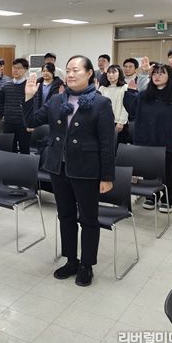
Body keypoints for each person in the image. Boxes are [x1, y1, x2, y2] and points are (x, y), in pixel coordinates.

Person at [23, 55, 115, 287]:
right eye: (68, 70)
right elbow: (31, 122)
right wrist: (29, 97)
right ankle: (71, 260)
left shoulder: (101, 103)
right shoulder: (56, 100)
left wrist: (107, 176)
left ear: (89, 74)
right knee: (65, 216)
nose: (71, 74)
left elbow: (107, 143)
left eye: (76, 70)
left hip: (86, 169)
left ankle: (87, 265)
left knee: (88, 219)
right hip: (59, 167)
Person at [125, 64, 172, 213]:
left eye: (161, 73)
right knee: (148, 172)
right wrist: (130, 92)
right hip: (145, 140)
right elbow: (132, 110)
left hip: (166, 141)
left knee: (167, 173)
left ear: (169, 77)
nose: (157, 76)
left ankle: (167, 199)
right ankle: (151, 197)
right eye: (154, 73)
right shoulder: (144, 95)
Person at [0, 58, 31, 154]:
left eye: (19, 68)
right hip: (8, 122)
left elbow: (34, 105)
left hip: (23, 123)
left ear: (25, 69)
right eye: (14, 67)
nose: (15, 70)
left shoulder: (29, 86)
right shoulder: (6, 85)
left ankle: (24, 165)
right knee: (9, 150)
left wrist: (31, 122)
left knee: (24, 150)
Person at [98, 64, 130, 145]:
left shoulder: (125, 87)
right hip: (104, 122)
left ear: (119, 74)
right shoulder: (102, 88)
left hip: (119, 123)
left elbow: (126, 106)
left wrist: (121, 122)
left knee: (119, 147)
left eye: (113, 72)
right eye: (109, 72)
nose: (110, 75)